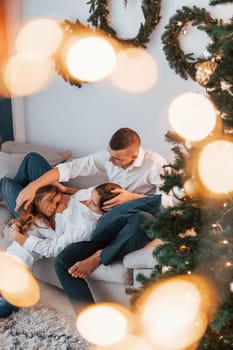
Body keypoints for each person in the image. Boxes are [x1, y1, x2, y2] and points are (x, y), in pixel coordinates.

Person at [0, 182, 121, 318]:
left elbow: (53, 247)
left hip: (26, 254)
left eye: (92, 204)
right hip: (18, 256)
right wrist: (65, 191)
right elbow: (76, 196)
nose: (87, 202)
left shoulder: (82, 228)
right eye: (52, 202)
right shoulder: (90, 195)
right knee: (10, 179)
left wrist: (19, 236)